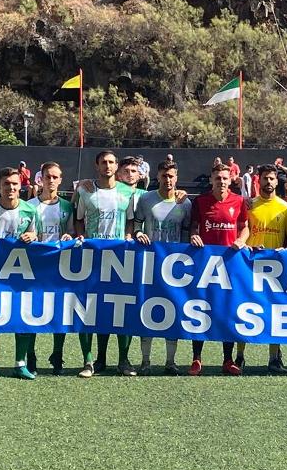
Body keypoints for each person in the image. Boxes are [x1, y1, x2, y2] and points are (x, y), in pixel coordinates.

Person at [73, 152, 141, 377]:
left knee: (121, 308)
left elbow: (131, 221)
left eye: (112, 162)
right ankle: (90, 360)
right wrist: (81, 237)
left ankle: (123, 359)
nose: (108, 166)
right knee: (89, 308)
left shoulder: (128, 192)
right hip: (92, 258)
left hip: (120, 257)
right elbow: (79, 220)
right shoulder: (85, 190)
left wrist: (129, 236)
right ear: (97, 165)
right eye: (103, 162)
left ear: (117, 166)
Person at [0, 167, 41, 381]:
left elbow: (37, 236)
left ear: (20, 186)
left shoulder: (30, 211)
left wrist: (32, 236)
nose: (11, 188)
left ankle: (20, 364)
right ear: (0, 186)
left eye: (14, 184)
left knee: (21, 317)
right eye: (6, 184)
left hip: (20, 273)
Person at [189, 163, 250, 376]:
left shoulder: (239, 201)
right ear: (211, 180)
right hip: (205, 264)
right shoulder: (201, 201)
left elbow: (244, 226)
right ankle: (196, 359)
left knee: (228, 309)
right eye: (217, 178)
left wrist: (242, 240)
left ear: (231, 179)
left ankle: (228, 359)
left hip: (230, 263)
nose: (221, 181)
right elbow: (194, 226)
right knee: (200, 308)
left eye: (225, 178)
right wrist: (194, 235)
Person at [133, 160, 193, 375]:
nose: (168, 180)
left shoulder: (185, 203)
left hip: (175, 268)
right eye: (164, 176)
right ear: (157, 176)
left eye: (171, 176)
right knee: (145, 311)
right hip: (149, 264)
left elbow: (188, 233)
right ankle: (145, 361)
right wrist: (138, 233)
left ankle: (170, 361)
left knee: (173, 312)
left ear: (177, 177)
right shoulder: (146, 199)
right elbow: (137, 224)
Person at [240, 163, 287, 373]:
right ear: (259, 180)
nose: (269, 182)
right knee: (244, 309)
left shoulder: (285, 208)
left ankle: (274, 358)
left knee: (275, 312)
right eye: (265, 178)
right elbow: (241, 232)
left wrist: (285, 250)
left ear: (276, 181)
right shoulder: (248, 205)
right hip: (249, 266)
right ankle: (240, 357)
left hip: (275, 269)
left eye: (272, 178)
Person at [29, 161, 75, 375]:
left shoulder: (66, 206)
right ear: (41, 178)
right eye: (48, 176)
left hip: (60, 265)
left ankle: (57, 354)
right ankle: (30, 354)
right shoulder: (29, 206)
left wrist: (69, 236)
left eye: (55, 177)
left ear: (60, 179)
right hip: (35, 266)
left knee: (60, 311)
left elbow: (73, 233)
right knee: (31, 310)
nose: (51, 180)